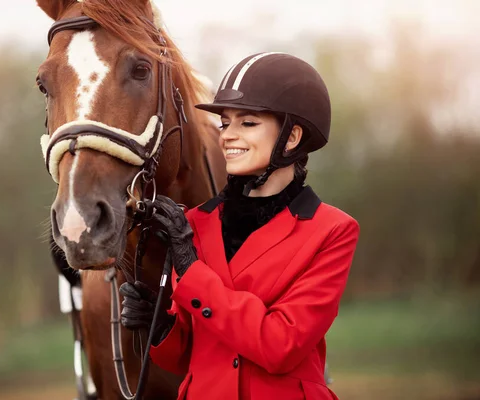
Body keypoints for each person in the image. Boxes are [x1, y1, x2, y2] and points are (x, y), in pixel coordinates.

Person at [119, 52, 359, 400]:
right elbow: (189, 357)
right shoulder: (195, 224)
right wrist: (159, 326)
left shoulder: (332, 231)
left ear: (291, 137)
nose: (227, 136)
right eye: (225, 123)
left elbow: (281, 346)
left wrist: (192, 270)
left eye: (247, 123)